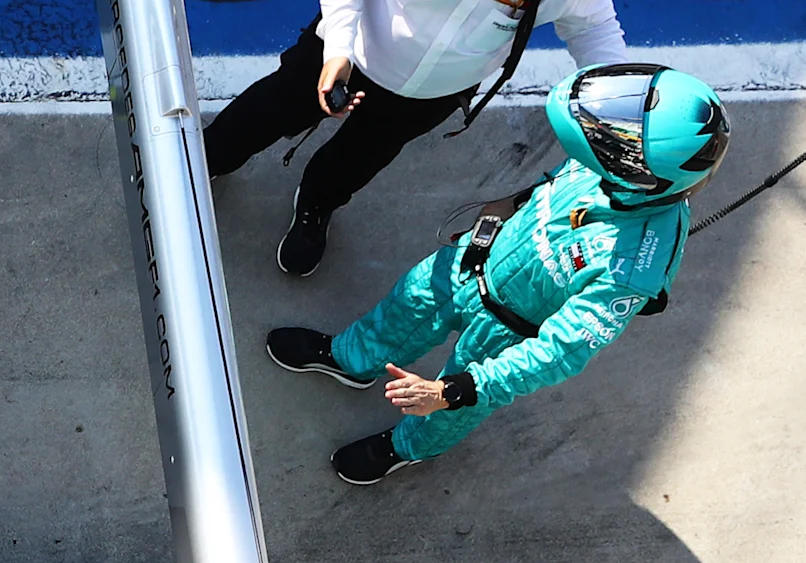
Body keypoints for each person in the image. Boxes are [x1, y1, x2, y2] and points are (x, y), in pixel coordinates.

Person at [262, 63, 727, 486]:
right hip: (472, 262)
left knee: (449, 412)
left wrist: (454, 391)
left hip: (505, 336)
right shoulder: (617, 164)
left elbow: (557, 353)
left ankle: (405, 448)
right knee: (404, 306)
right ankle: (350, 358)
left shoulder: (633, 270)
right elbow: (555, 182)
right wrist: (504, 211)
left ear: (639, 174)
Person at [207, 0, 629, 276]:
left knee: (359, 160)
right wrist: (338, 47)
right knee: (267, 110)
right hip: (350, 50)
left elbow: (595, 34)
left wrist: (625, 123)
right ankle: (208, 160)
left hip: (435, 94)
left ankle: (316, 204)